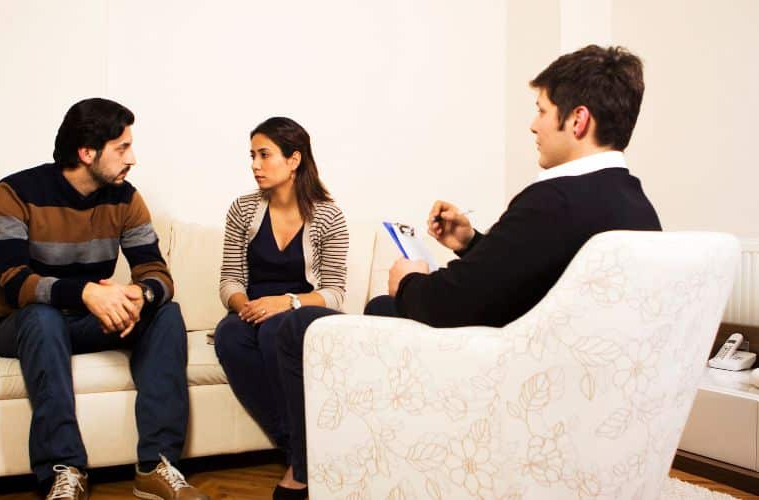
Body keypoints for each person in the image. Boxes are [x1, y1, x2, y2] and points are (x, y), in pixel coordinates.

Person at [274, 44, 662, 492]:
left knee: (307, 325)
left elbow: (448, 306)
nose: (533, 125)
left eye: (541, 110)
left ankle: (322, 469)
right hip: (580, 390)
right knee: (382, 308)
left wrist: (409, 279)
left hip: (513, 384)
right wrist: (470, 243)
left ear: (577, 120)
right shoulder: (636, 205)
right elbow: (538, 278)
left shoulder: (554, 200)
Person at [0, 98, 208, 500]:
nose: (132, 158)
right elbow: (12, 281)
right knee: (42, 316)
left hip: (88, 322)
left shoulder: (126, 198)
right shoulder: (14, 192)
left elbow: (157, 273)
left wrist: (139, 295)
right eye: (122, 148)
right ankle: (63, 470)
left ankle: (157, 465)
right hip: (18, 326)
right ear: (87, 153)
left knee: (166, 314)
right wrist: (86, 292)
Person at [214, 117, 348, 500]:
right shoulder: (243, 209)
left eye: (264, 155)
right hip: (254, 309)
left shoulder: (328, 215)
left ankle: (300, 465)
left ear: (294, 160)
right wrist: (246, 307)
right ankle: (297, 447)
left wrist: (285, 303)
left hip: (304, 312)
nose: (255, 165)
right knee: (228, 335)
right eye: (252, 156)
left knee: (278, 329)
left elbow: (334, 293)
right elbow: (229, 281)